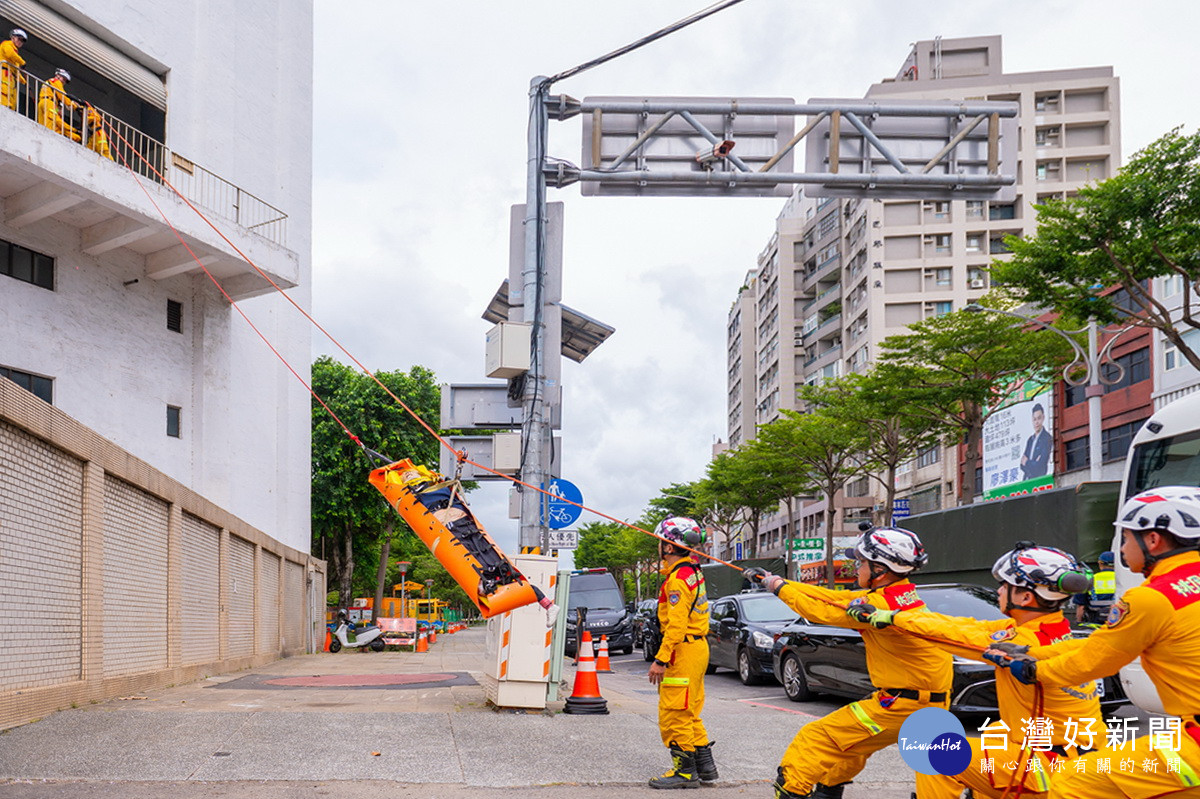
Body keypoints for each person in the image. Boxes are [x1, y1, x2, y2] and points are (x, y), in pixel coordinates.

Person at [986, 486, 1200, 797]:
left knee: (1069, 783)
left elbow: (1095, 659)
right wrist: (1036, 653)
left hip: (1193, 746)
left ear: (1153, 540)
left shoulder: (1152, 598)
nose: (1122, 550)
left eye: (1125, 538)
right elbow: (1103, 641)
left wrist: (1033, 671)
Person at [852, 542, 1103, 798]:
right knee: (994, 733)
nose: (999, 591)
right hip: (1077, 759)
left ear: (1026, 597)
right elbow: (961, 624)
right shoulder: (1055, 632)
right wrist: (896, 614)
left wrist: (892, 619)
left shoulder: (1019, 644)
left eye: (1006, 585)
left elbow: (952, 636)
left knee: (936, 754)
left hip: (1049, 767)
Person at [745, 525, 952, 799]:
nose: (857, 567)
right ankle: (829, 790)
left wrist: (781, 589)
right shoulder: (900, 596)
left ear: (881, 568)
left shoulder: (877, 607)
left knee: (816, 737)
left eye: (862, 562)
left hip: (902, 705)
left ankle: (792, 792)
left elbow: (821, 610)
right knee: (852, 744)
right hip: (925, 701)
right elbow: (834, 597)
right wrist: (775, 583)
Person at [647, 516, 716, 789]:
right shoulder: (693, 572)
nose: (659, 547)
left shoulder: (677, 580)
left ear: (669, 547)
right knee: (690, 710)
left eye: (661, 542)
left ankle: (685, 772)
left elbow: (675, 625)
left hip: (682, 649)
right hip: (697, 647)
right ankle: (705, 767)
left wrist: (661, 659)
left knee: (675, 711)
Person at [37, 68, 80, 142]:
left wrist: (58, 110)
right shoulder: (57, 82)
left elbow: (56, 107)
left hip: (42, 102)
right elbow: (62, 95)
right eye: (63, 78)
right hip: (49, 103)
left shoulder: (49, 81)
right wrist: (75, 106)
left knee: (42, 123)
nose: (63, 81)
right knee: (49, 125)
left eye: (65, 80)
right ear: (58, 75)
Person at [1074, 550, 1115, 625]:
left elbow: (1081, 607)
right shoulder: (1122, 580)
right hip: (1116, 622)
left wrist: (1078, 622)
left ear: (1100, 563)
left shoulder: (1090, 580)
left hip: (1094, 624)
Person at [1020, 403, 1052, 479]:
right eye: (1034, 419)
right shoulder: (1030, 440)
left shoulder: (1047, 438)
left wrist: (1027, 462)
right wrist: (1033, 464)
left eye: (1039, 418)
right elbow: (1021, 465)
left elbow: (1040, 466)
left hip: (1039, 481)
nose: (1036, 422)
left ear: (1043, 418)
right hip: (1026, 480)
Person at [0, 28, 27, 111]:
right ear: (13, 37)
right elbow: (9, 54)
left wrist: (24, 81)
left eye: (22, 41)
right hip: (4, 73)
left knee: (11, 94)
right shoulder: (7, 44)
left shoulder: (15, 52)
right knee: (4, 91)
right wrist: (22, 62)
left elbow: (16, 70)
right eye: (19, 39)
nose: (20, 42)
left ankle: (10, 109)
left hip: (11, 76)